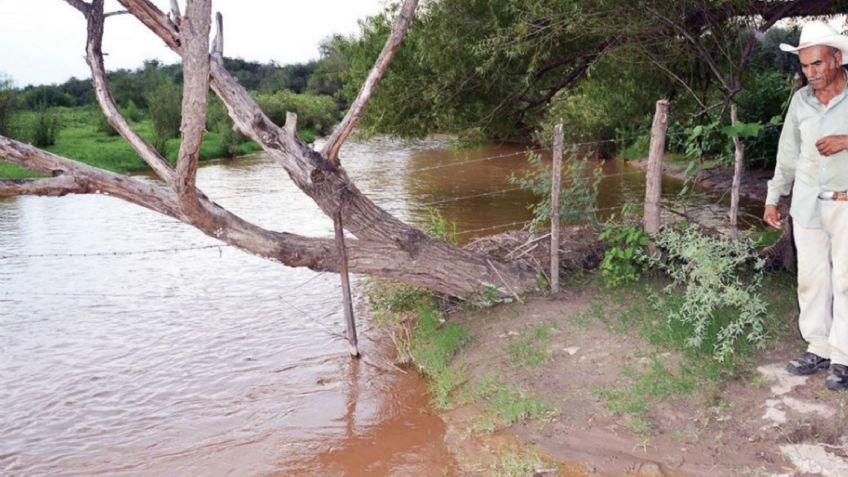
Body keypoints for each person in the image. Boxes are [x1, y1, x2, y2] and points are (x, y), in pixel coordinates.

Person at [764, 20, 848, 391]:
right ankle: (818, 347)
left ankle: (843, 357)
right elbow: (788, 155)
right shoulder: (800, 101)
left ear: (837, 58)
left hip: (845, 204)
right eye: (804, 65)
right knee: (812, 281)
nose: (810, 73)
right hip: (807, 206)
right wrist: (772, 197)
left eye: (817, 64)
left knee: (845, 282)